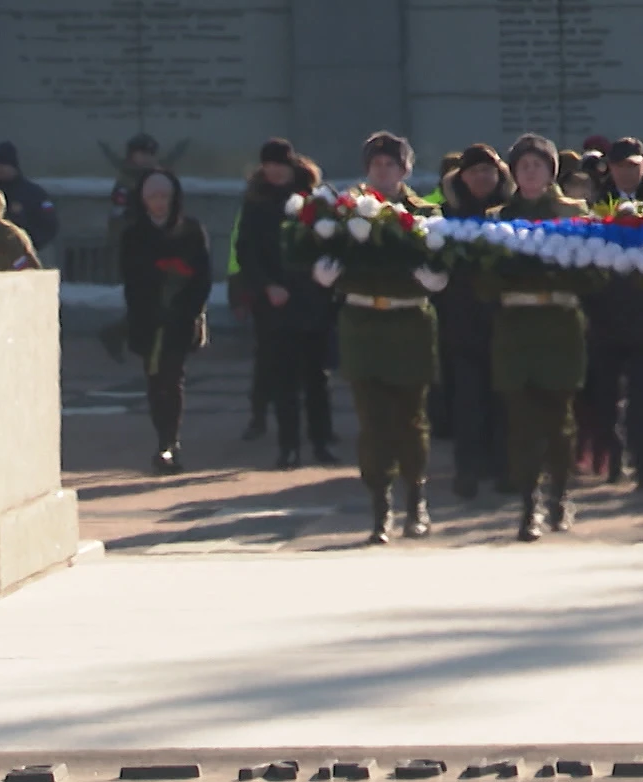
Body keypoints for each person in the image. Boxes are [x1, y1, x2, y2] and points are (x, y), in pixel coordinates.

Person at [318, 131, 445, 545]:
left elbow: (441, 269)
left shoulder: (425, 212)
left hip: (409, 323)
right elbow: (322, 260)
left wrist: (426, 269)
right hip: (362, 322)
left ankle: (417, 501)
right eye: (376, 164)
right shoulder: (344, 211)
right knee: (372, 421)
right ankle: (380, 506)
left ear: (406, 169)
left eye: (391, 163)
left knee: (410, 418)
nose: (383, 170)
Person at [482, 133, 601, 540]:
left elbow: (595, 274)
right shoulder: (498, 218)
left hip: (560, 326)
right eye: (524, 166)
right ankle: (528, 504)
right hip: (516, 328)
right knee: (521, 423)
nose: (531, 172)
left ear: (552, 171)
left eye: (538, 165)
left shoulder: (575, 214)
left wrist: (562, 265)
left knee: (559, 422)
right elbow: (484, 282)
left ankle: (560, 496)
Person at [235, 138, 337, 468]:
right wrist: (266, 286)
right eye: (269, 165)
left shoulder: (313, 198)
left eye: (280, 165)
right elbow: (246, 251)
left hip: (311, 298)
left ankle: (322, 442)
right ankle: (288, 446)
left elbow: (328, 241)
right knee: (283, 379)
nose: (275, 171)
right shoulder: (255, 202)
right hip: (275, 303)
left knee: (316, 378)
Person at [583, 144, 643, 490]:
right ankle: (612, 459)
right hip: (606, 313)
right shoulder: (595, 203)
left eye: (633, 166)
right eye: (619, 166)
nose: (626, 172)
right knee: (604, 397)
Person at [119, 169, 212, 475]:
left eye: (164, 197)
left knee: (172, 380)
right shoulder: (133, 233)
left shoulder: (191, 230)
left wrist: (184, 307)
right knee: (154, 379)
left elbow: (202, 277)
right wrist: (151, 305)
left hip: (180, 319)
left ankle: (169, 442)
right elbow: (130, 278)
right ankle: (162, 435)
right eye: (152, 197)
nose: (159, 203)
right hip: (148, 320)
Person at [438, 144, 515, 499]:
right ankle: (467, 470)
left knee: (505, 400)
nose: (482, 178)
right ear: (461, 178)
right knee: (468, 401)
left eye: (488, 171)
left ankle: (505, 468)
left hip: (506, 321)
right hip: (463, 322)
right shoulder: (445, 217)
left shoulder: (512, 213)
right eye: (474, 172)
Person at [0, 142, 59, 255]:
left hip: (30, 251)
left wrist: (30, 245)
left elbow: (49, 226)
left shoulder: (34, 194)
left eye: (2, 164)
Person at [604, 137, 643, 204]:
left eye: (632, 165)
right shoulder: (595, 200)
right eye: (620, 165)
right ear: (610, 167)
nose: (625, 172)